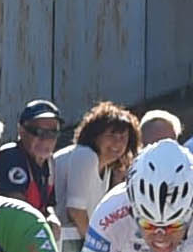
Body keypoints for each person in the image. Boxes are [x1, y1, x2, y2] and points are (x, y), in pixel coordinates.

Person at [53, 102, 139, 237]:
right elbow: (75, 211)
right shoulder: (86, 155)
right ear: (95, 136)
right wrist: (96, 247)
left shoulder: (107, 167)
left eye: (123, 138)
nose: (117, 143)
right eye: (111, 135)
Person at [0, 99, 59, 216]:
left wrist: (52, 217)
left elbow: (48, 205)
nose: (45, 140)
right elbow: (16, 210)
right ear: (21, 131)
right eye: (39, 132)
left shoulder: (49, 161)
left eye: (52, 133)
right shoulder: (10, 157)